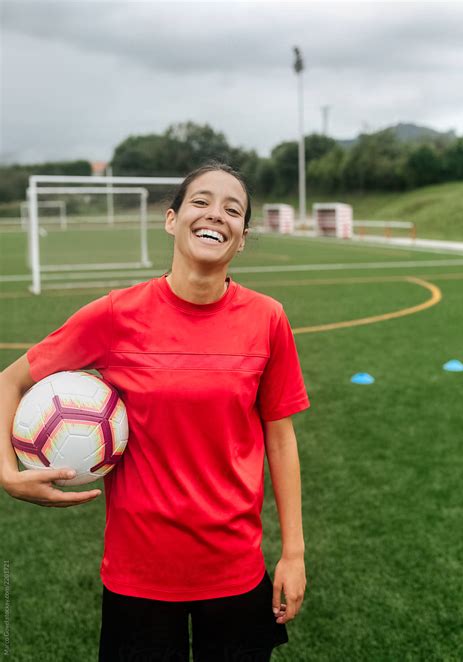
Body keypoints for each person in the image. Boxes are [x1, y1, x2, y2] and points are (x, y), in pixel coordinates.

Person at [0, 162, 310, 661]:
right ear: (172, 219)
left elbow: (280, 436)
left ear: (243, 238)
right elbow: (9, 382)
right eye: (201, 202)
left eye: (233, 210)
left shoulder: (267, 319)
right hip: (137, 575)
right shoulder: (116, 315)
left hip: (234, 569)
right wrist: (6, 472)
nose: (216, 215)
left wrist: (293, 553)